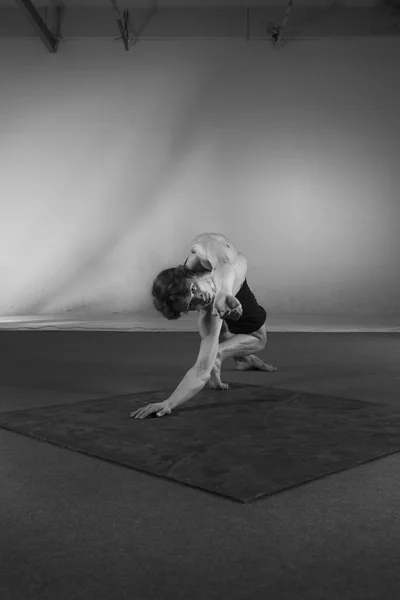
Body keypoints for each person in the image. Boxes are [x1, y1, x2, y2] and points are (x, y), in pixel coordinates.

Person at [130, 233, 277, 419]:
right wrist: (169, 402)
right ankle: (226, 355)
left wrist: (224, 293)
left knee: (259, 340)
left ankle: (239, 357)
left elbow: (224, 263)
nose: (200, 297)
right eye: (191, 305)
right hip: (222, 298)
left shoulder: (203, 249)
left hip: (236, 288)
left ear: (189, 275)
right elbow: (200, 372)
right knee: (219, 336)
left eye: (193, 290)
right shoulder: (207, 312)